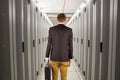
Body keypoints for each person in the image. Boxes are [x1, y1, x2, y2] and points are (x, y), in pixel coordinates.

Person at [45, 13, 73, 80]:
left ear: (57, 19)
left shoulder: (52, 29)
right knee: (64, 77)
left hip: (54, 57)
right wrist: (71, 58)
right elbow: (70, 45)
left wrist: (46, 57)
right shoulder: (69, 30)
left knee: (54, 77)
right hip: (65, 58)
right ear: (65, 20)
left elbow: (49, 44)